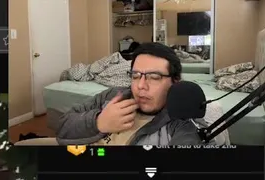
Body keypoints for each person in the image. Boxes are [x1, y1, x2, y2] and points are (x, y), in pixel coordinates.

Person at [52, 43, 201, 146]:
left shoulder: (179, 123)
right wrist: (99, 123)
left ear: (175, 81)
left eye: (154, 77)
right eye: (135, 76)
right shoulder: (113, 96)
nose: (141, 85)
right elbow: (62, 126)